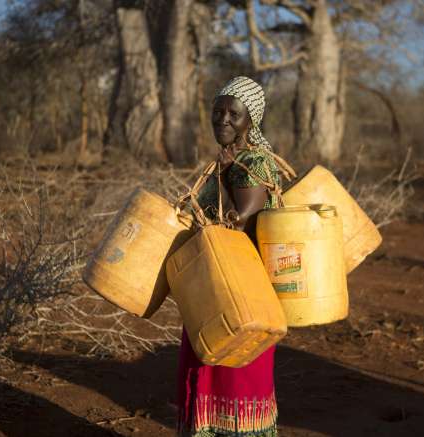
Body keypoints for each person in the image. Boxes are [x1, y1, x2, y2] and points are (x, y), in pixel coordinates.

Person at [177, 76, 281, 437]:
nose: (223, 119)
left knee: (235, 375)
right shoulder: (229, 158)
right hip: (215, 284)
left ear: (251, 119)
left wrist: (222, 174)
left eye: (233, 114)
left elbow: (241, 219)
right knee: (209, 367)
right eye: (217, 111)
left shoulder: (252, 161)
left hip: (239, 289)